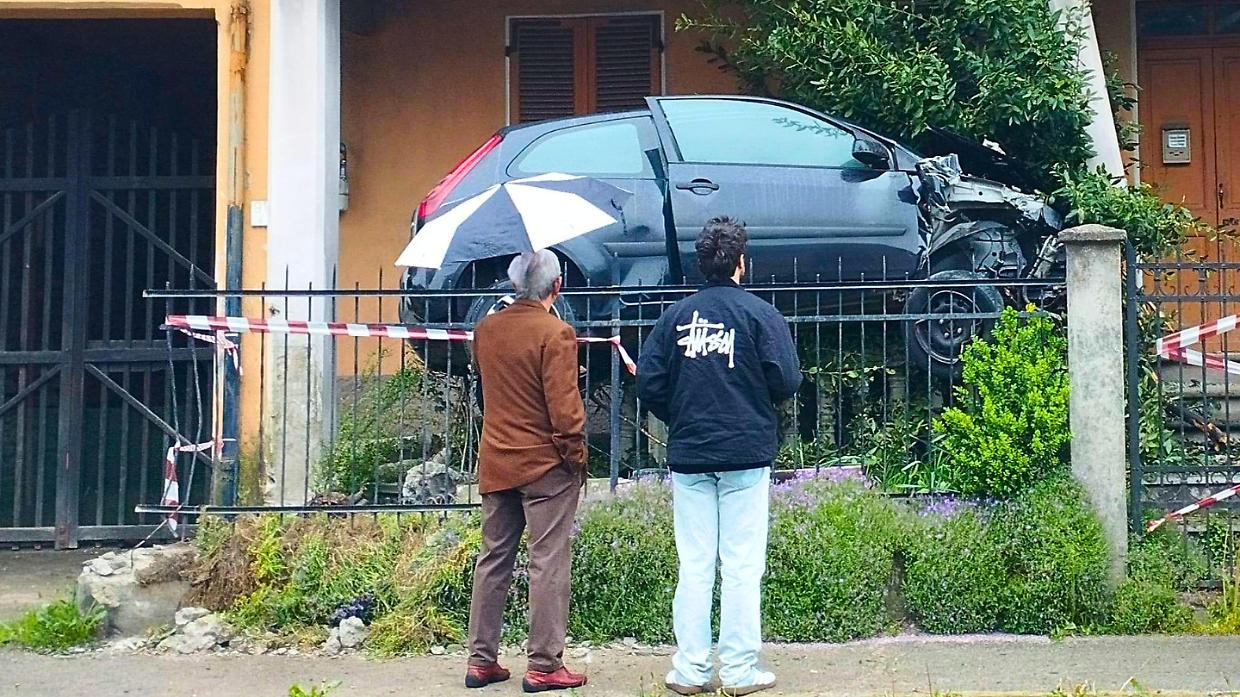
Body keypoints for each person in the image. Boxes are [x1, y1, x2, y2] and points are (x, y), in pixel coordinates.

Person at [637, 217, 802, 697]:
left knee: (694, 565)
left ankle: (689, 671)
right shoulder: (760, 316)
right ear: (741, 263)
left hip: (690, 455)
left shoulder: (674, 318)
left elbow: (650, 384)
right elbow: (787, 380)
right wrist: (752, 402)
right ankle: (738, 671)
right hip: (747, 454)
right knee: (742, 565)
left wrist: (681, 415)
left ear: (702, 263)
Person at [465, 249, 589, 693]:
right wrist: (575, 459)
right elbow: (565, 413)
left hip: (498, 459)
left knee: (493, 559)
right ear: (557, 287)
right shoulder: (556, 333)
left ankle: (481, 660)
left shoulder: (486, 329)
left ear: (514, 285)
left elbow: (488, 391)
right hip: (546, 467)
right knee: (548, 561)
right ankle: (544, 664)